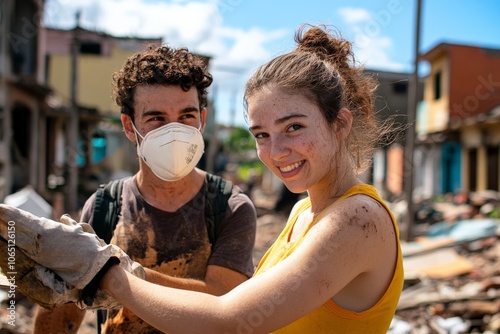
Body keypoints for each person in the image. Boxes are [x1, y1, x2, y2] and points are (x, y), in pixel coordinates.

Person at [3, 24, 403, 333]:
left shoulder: (358, 220)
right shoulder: (303, 212)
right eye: (261, 135)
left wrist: (103, 270)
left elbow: (229, 319)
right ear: (130, 126)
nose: (276, 151)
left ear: (340, 124)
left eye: (294, 127)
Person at [33, 44, 257, 333]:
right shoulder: (105, 207)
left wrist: (115, 273)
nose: (174, 132)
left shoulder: (229, 207)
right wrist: (56, 277)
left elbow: (223, 299)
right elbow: (65, 315)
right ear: (129, 126)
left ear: (202, 120)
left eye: (187, 116)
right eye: (156, 119)